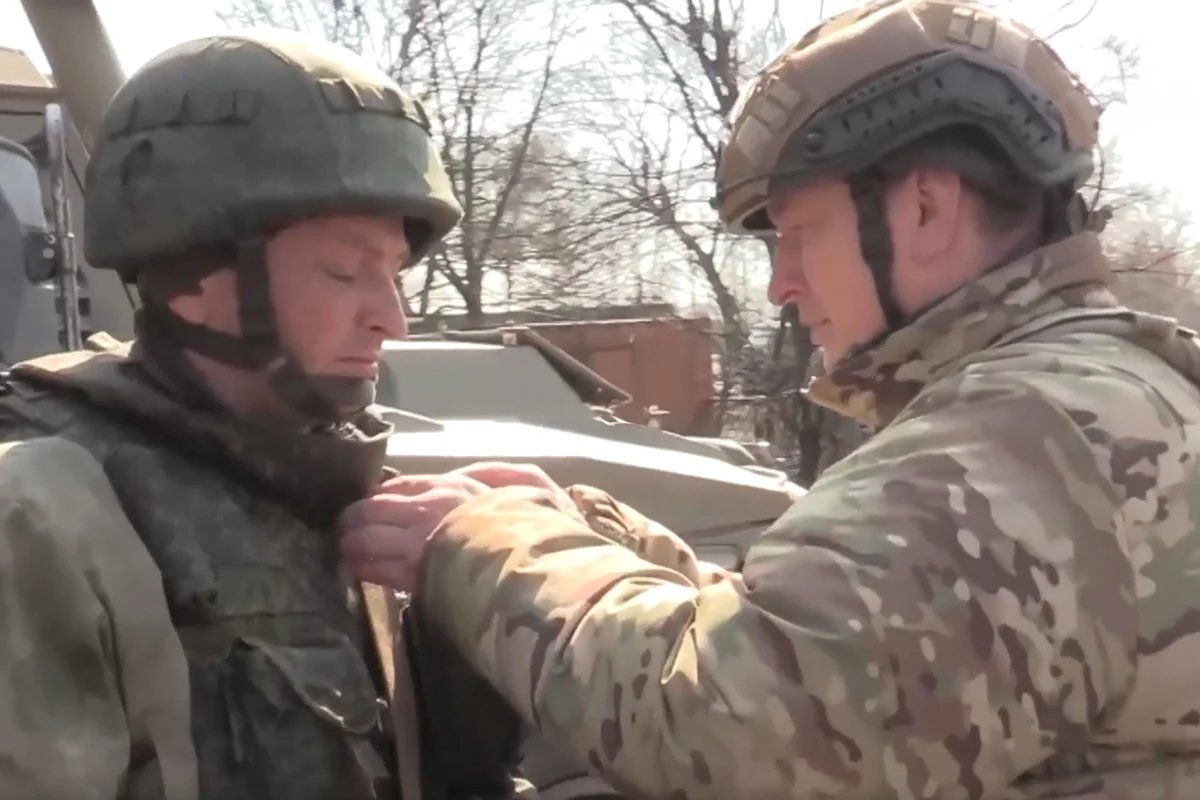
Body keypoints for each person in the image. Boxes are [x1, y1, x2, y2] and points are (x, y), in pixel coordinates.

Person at [341, 1, 1200, 798]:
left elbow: (739, 726)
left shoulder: (1025, 432)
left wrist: (483, 549)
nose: (781, 287)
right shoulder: (1101, 394)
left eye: (798, 233)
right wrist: (591, 537)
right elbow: (846, 646)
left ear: (927, 208)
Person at [0, 31, 531, 800]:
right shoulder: (42, 514)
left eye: (394, 274)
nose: (393, 320)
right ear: (194, 277)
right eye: (346, 271)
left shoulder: (325, 477)